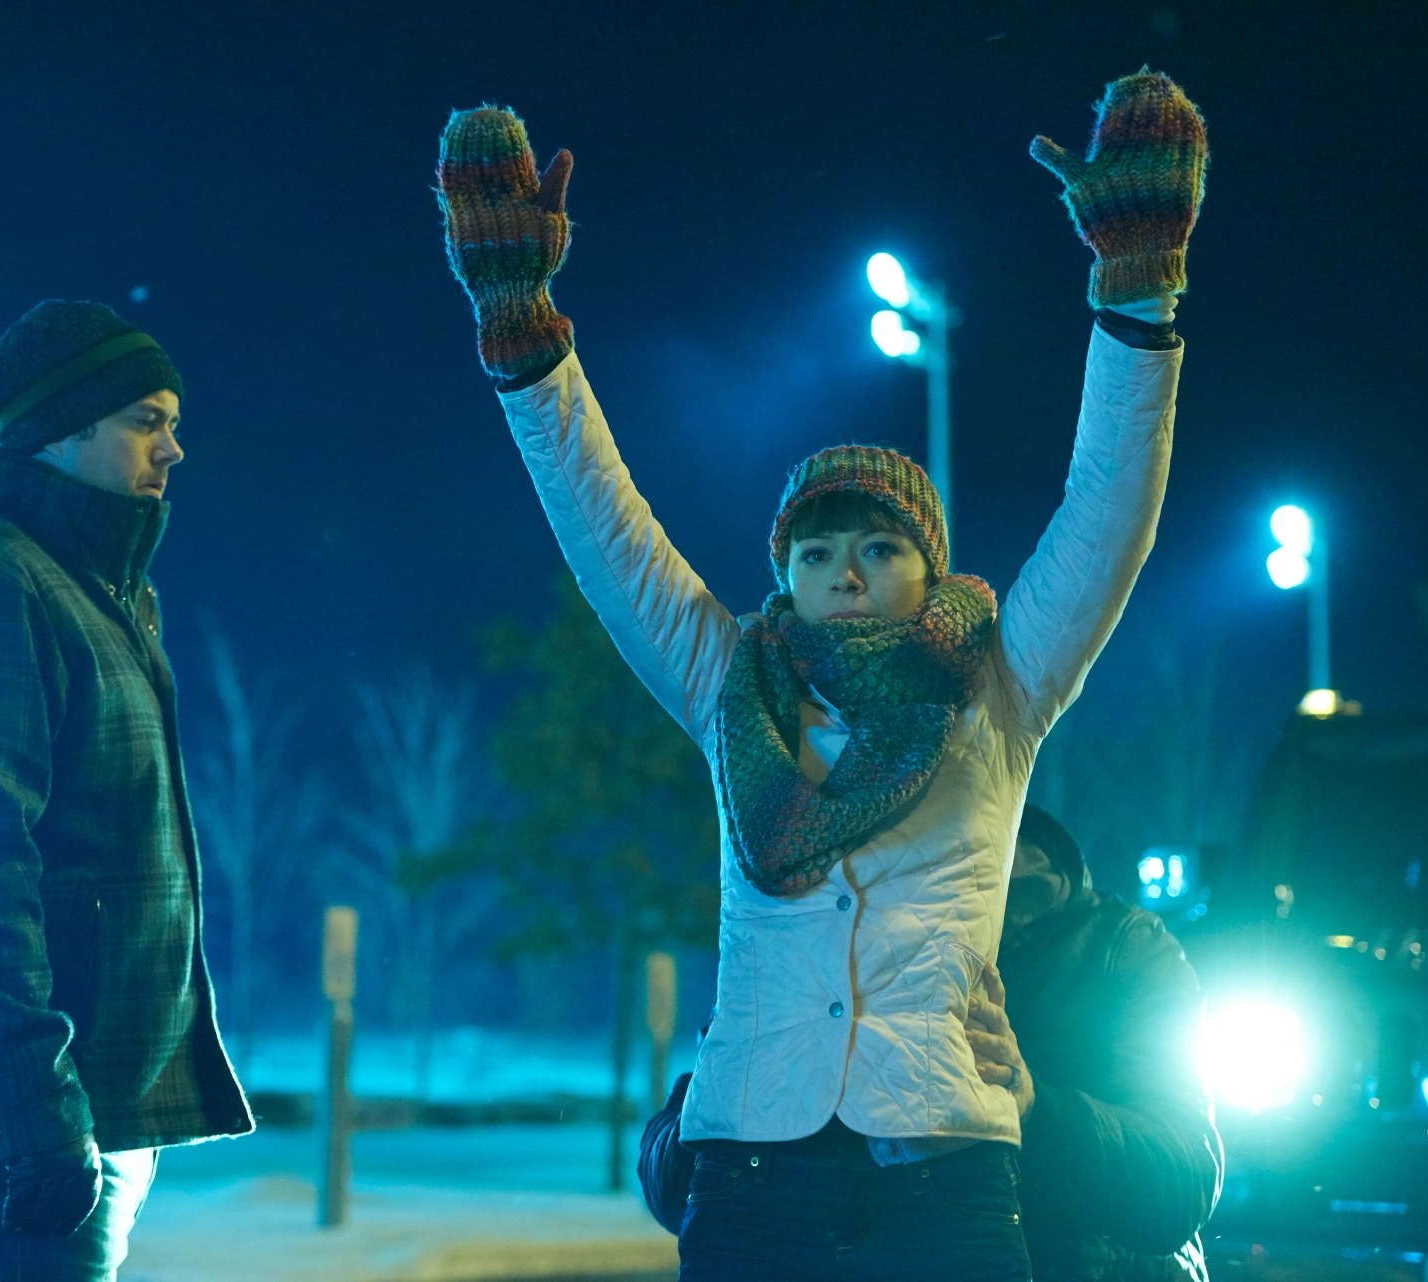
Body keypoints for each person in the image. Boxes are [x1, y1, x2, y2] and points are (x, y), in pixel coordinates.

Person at [435, 69, 1206, 1281]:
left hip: (945, 1178)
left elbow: (1109, 511)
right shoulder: (728, 681)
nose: (848, 571)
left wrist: (1137, 296)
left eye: (883, 547)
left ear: (927, 566)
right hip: (751, 1175)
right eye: (818, 550)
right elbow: (606, 528)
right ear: (784, 570)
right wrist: (526, 340)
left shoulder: (995, 692)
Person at [0, 301, 252, 1281]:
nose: (175, 448)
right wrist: (35, 1114)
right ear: (65, 431)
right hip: (13, 1125)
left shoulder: (85, 589)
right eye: (147, 420)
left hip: (75, 1106)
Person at [641, 805, 1224, 1282]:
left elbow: (1182, 1183)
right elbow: (677, 1191)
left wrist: (1031, 1108)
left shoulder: (1114, 948)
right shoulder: (820, 951)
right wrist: (734, 1083)